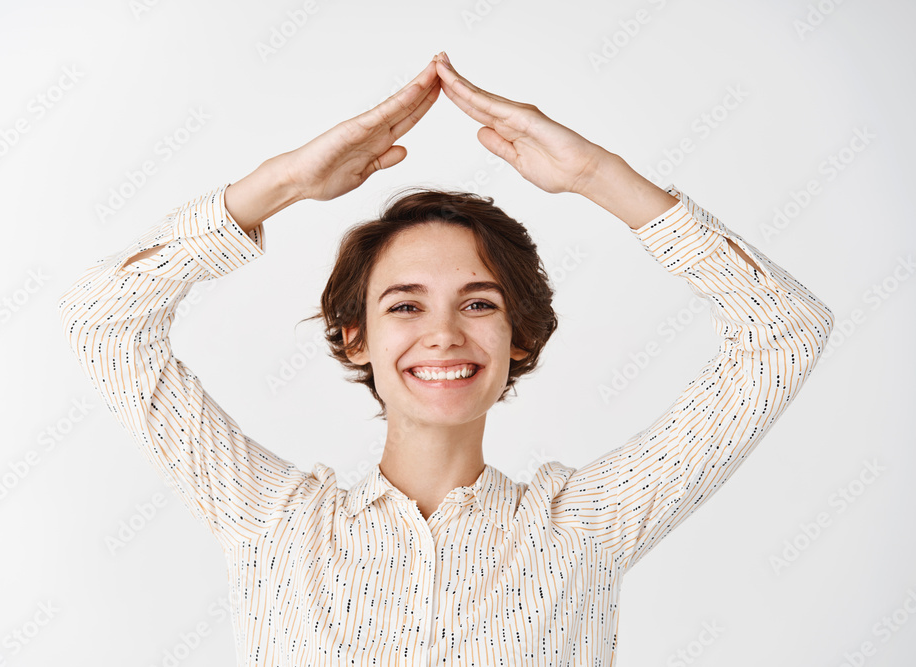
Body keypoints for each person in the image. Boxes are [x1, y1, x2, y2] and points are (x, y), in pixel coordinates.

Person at [58, 52, 834, 665]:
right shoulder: (274, 525)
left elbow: (787, 331)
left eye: (479, 302)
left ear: (519, 335)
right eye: (404, 304)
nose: (443, 334)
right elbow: (105, 321)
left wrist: (598, 177)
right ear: (354, 335)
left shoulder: (582, 528)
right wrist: (286, 181)